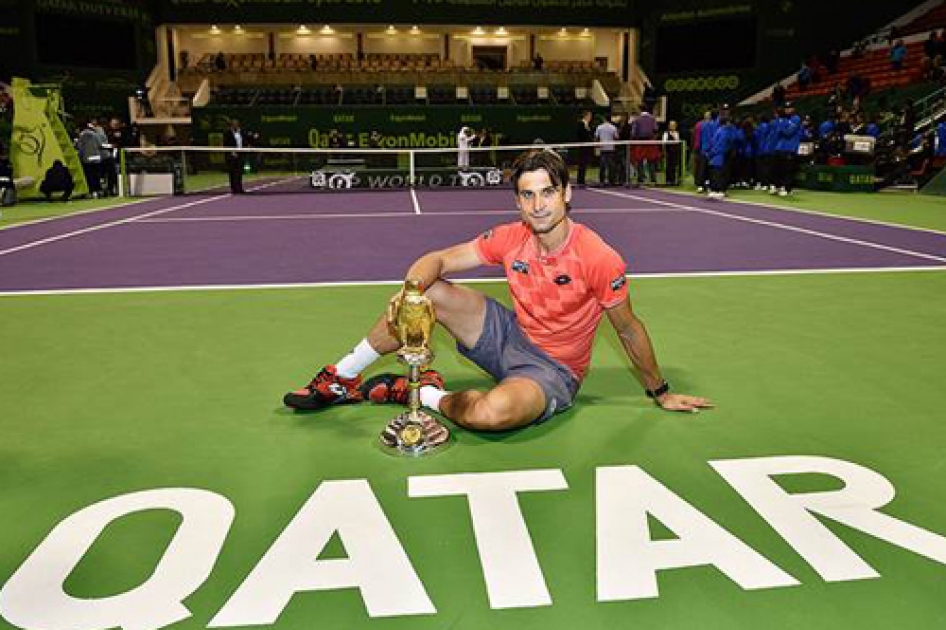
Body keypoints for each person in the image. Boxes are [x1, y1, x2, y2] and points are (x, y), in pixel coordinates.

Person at [283, 149, 712, 429]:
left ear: (566, 195)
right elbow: (440, 259)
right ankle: (341, 376)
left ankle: (420, 392)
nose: (538, 204)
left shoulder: (598, 257)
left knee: (489, 414)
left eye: (547, 192)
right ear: (517, 202)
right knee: (428, 293)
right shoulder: (511, 237)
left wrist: (661, 391)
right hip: (507, 334)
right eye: (528, 195)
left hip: (551, 371)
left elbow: (628, 329)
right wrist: (412, 290)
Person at [76, 120, 104, 198]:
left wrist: (80, 157)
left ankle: (92, 191)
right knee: (97, 175)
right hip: (97, 158)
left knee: (89, 176)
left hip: (87, 159)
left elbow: (80, 148)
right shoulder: (95, 135)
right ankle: (99, 190)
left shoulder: (82, 136)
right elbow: (100, 145)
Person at [594, 116, 619, 186]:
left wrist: (596, 146)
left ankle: (601, 181)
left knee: (602, 165)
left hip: (603, 148)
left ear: (604, 119)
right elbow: (616, 137)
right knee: (611, 165)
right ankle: (612, 181)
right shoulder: (613, 127)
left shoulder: (599, 127)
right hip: (611, 148)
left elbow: (596, 137)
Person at [223, 119, 246, 194]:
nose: (235, 125)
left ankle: (240, 188)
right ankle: (234, 189)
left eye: (237, 124)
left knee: (239, 173)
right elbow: (225, 144)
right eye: (234, 124)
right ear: (231, 125)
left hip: (240, 155)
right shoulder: (227, 133)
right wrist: (232, 152)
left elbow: (245, 142)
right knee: (232, 173)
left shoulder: (242, 132)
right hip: (231, 156)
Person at [576, 110, 594, 186]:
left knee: (584, 164)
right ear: (586, 116)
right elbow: (581, 135)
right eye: (589, 116)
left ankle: (582, 180)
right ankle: (580, 180)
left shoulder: (587, 125)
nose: (590, 117)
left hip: (586, 148)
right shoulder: (581, 124)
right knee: (582, 164)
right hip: (583, 147)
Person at [661, 120, 681, 185]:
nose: (672, 126)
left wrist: (674, 136)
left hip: (675, 152)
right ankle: (668, 180)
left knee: (674, 166)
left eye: (674, 125)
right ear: (669, 126)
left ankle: (673, 180)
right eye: (671, 125)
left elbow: (678, 142)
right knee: (668, 166)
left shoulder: (677, 133)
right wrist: (664, 152)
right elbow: (663, 143)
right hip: (668, 151)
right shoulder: (666, 133)